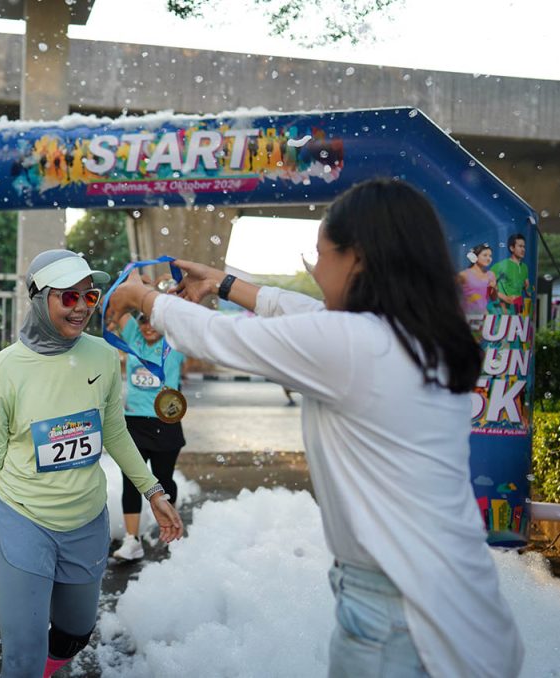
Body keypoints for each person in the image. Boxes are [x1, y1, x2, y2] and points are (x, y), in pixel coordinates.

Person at [106, 179, 524, 677]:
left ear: (359, 258)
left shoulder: (353, 344)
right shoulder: (415, 334)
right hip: (454, 598)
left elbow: (222, 336)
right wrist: (221, 283)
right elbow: (301, 312)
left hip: (403, 620)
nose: (315, 266)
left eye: (321, 253)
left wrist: (142, 295)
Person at [0, 250, 183, 678]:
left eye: (89, 296)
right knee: (22, 656)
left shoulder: (100, 356)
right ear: (40, 299)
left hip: (85, 518)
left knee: (76, 631)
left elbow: (113, 431)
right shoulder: (6, 369)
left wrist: (153, 491)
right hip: (23, 518)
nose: (81, 308)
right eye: (68, 298)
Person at [109, 308, 186, 562]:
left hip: (166, 422)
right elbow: (118, 303)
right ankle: (132, 541)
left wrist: (165, 288)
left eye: (154, 320)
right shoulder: (133, 337)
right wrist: (136, 275)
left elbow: (184, 313)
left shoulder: (174, 341)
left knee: (163, 480)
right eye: (143, 320)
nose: (147, 326)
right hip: (134, 422)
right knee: (132, 480)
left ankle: (170, 529)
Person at [491, 233, 530, 314]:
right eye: (520, 246)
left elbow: (528, 289)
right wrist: (505, 298)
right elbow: (488, 287)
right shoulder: (500, 266)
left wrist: (529, 289)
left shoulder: (524, 267)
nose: (523, 249)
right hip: (502, 310)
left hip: (518, 309)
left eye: (524, 247)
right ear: (512, 248)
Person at [457, 243, 498, 316]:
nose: (488, 258)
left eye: (490, 256)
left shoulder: (491, 275)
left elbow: (494, 298)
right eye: (485, 255)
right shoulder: (464, 275)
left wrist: (494, 288)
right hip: (467, 316)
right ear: (474, 257)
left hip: (484, 317)